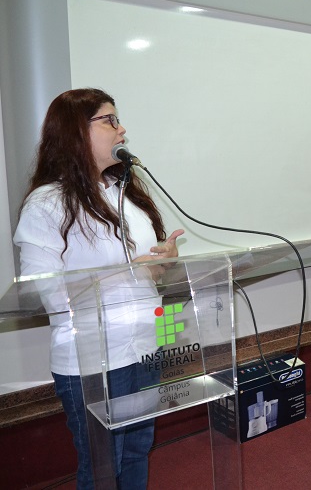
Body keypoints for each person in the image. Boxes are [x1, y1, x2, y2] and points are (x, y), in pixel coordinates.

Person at [13, 88, 184, 489]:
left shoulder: (126, 197)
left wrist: (164, 260)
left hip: (146, 343)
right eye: (109, 120)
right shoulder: (46, 204)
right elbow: (46, 293)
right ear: (76, 131)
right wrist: (128, 271)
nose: (121, 129)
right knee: (105, 464)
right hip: (93, 359)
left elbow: (148, 272)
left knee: (139, 449)